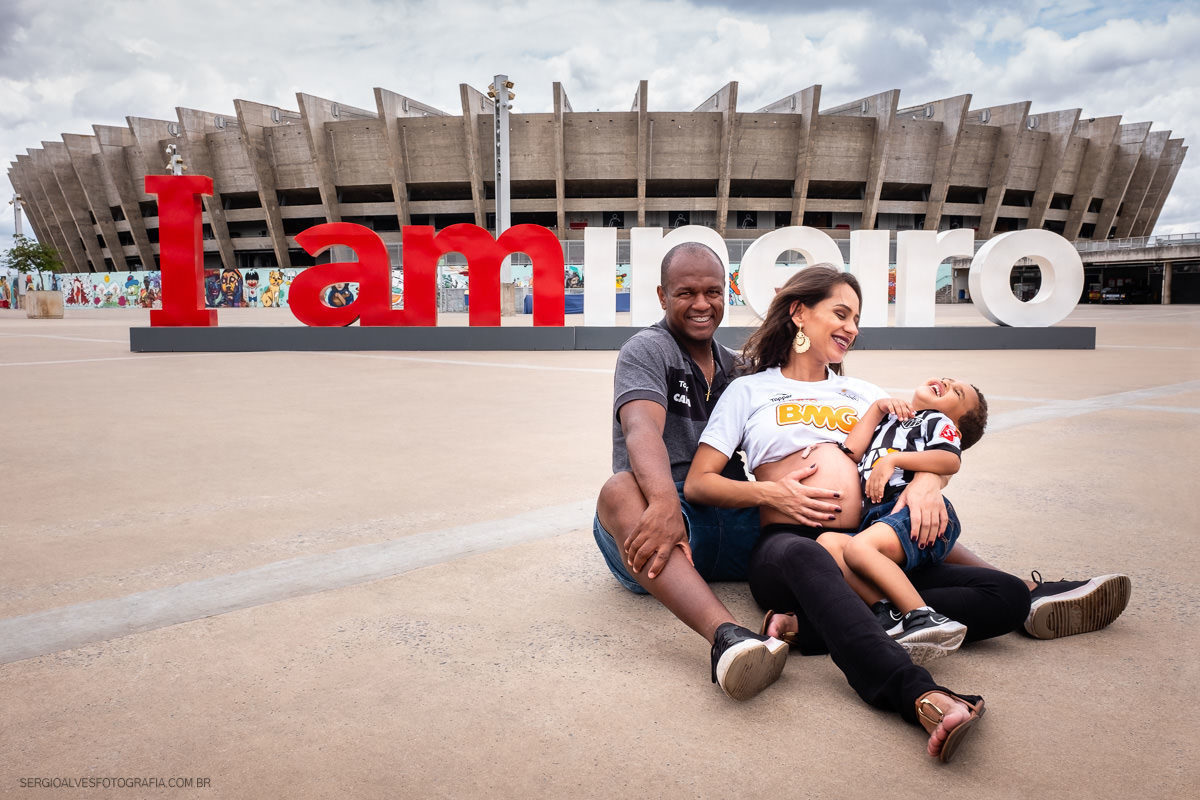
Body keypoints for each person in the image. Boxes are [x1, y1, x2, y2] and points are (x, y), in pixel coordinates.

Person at [816, 378, 990, 660]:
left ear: (955, 425)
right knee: (827, 543)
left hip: (917, 513)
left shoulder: (936, 421)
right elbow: (851, 452)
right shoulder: (890, 421)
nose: (946, 382)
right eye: (948, 379)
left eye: (956, 392)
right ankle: (889, 615)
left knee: (859, 548)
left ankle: (924, 616)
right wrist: (876, 408)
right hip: (881, 520)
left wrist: (893, 461)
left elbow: (950, 461)